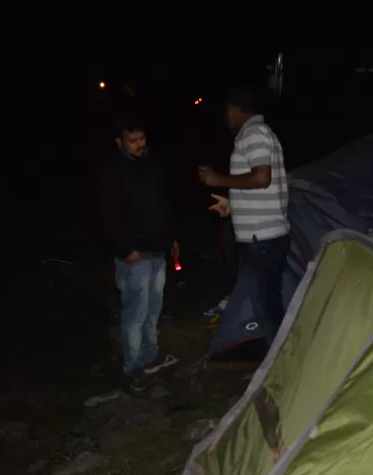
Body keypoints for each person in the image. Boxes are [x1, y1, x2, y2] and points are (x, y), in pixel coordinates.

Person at [199, 86, 290, 349]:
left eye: (226, 112)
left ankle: (279, 360)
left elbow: (262, 178)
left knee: (266, 306)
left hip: (262, 238)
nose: (226, 119)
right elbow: (265, 189)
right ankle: (277, 353)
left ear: (233, 109)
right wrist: (232, 206)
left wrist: (217, 179)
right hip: (264, 235)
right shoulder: (260, 134)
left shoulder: (254, 134)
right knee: (265, 300)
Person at [96, 110, 179, 389]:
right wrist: (125, 249)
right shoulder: (112, 172)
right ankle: (133, 367)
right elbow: (107, 215)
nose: (139, 144)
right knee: (135, 313)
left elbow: (163, 203)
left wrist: (171, 237)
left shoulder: (151, 164)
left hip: (158, 250)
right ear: (119, 142)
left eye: (142, 138)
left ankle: (151, 356)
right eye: (132, 141)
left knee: (154, 309)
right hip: (135, 255)